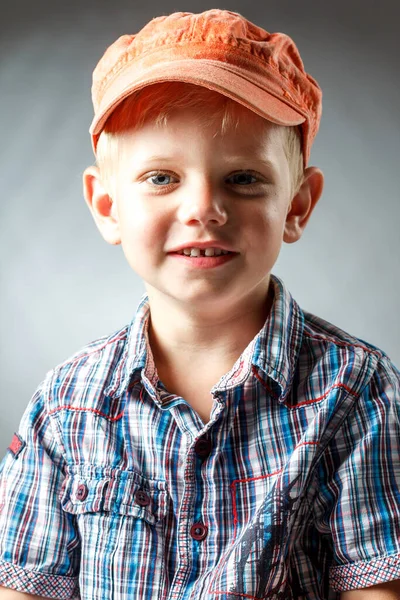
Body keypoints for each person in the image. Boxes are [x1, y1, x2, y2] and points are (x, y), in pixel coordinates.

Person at [0, 9, 399, 600]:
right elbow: (24, 587)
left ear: (297, 206)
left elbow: (375, 585)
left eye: (242, 178)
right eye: (162, 178)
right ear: (108, 206)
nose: (204, 208)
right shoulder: (64, 406)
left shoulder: (355, 389)